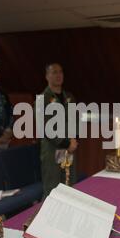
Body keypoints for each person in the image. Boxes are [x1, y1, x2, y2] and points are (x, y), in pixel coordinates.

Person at [38, 63, 78, 197]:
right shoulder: (42, 100)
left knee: (69, 185)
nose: (58, 75)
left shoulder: (70, 97)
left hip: (69, 149)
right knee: (52, 189)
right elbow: (46, 128)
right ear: (47, 76)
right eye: (54, 72)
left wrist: (74, 140)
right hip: (52, 151)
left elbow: (75, 121)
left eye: (60, 72)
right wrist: (67, 143)